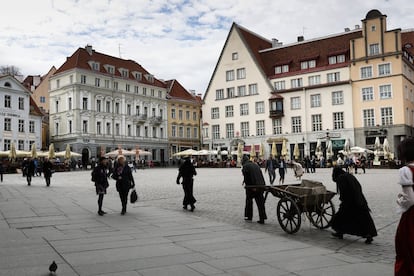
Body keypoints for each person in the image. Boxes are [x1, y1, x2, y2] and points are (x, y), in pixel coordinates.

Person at [331, 167, 377, 244]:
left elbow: (344, 191)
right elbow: (358, 187)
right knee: (363, 219)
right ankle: (369, 235)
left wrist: (344, 200)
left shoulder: (341, 178)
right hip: (360, 200)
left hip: (350, 201)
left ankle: (340, 231)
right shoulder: (349, 175)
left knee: (340, 217)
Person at [395, 138, 414, 275]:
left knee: (407, 250)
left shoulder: (406, 170)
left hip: (412, 217)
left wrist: (400, 200)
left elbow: (410, 200)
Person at [241, 155, 267, 224]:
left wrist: (250, 187)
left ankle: (249, 216)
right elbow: (260, 175)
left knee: (249, 201)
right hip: (261, 185)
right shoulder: (255, 165)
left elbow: (247, 178)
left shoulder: (245, 166)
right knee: (260, 203)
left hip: (252, 186)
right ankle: (262, 218)